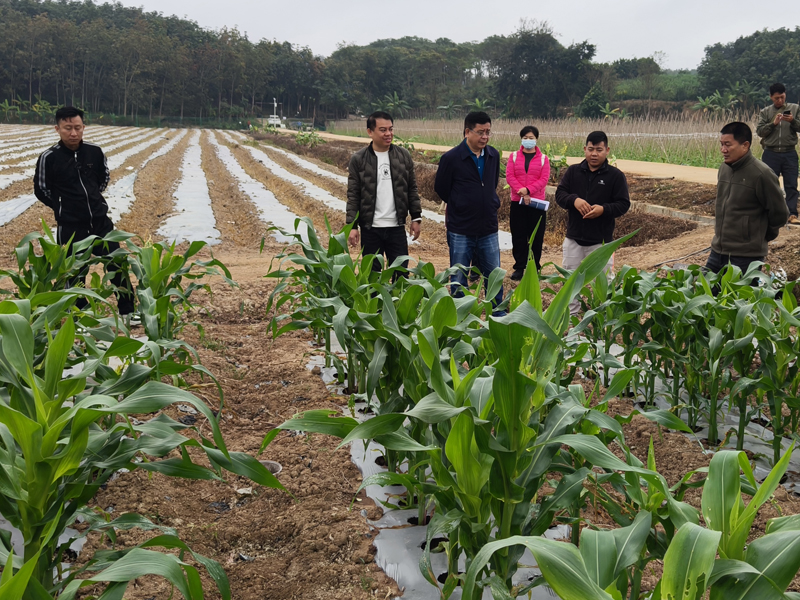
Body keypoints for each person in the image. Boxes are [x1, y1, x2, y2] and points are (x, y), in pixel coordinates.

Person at [33, 106, 134, 316]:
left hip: (99, 222)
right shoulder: (49, 157)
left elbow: (103, 178)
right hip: (71, 226)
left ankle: (128, 311)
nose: (73, 133)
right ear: (57, 129)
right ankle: (80, 315)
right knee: (75, 272)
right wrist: (63, 205)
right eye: (67, 128)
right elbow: (41, 189)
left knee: (117, 264)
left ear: (83, 127)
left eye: (77, 127)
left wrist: (92, 198)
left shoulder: (94, 152)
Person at [434, 111, 504, 313]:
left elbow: (492, 184)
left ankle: (498, 313)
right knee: (458, 276)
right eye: (480, 132)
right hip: (461, 228)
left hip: (488, 227)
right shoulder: (451, 158)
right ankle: (459, 314)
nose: (485, 137)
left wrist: (489, 202)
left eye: (488, 132)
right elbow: (441, 188)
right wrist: (461, 203)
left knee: (494, 274)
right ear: (467, 132)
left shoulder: (493, 155)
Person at [555, 130, 630, 315]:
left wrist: (603, 210)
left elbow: (623, 204)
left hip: (600, 242)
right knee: (571, 280)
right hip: (574, 238)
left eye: (599, 149)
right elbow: (560, 195)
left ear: (607, 151)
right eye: (590, 149)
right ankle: (572, 320)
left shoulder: (615, 176)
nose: (594, 154)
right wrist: (575, 200)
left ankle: (601, 319)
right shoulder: (573, 171)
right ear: (584, 149)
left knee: (603, 282)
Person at [705, 121, 788, 276]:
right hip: (718, 251)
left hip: (746, 256)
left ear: (745, 145)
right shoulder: (724, 169)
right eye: (721, 144)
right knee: (704, 294)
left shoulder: (761, 174)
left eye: (728, 145)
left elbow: (780, 214)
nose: (723, 150)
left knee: (736, 299)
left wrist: (758, 236)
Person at [346, 111, 421, 274]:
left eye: (391, 129)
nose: (388, 134)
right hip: (370, 228)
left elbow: (412, 189)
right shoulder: (359, 159)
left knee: (401, 272)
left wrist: (416, 217)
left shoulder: (403, 156)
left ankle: (398, 300)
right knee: (372, 274)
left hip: (396, 227)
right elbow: (353, 194)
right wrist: (352, 226)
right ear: (370, 132)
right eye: (383, 130)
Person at [505, 125, 550, 279]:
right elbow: (510, 176)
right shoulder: (514, 157)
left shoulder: (544, 159)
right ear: (521, 139)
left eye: (531, 138)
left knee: (536, 237)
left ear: (536, 139)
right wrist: (522, 191)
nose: (528, 141)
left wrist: (528, 191)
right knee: (518, 235)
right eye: (525, 138)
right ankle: (519, 267)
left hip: (536, 203)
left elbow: (543, 180)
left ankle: (534, 267)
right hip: (517, 202)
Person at [756, 83, 800, 224]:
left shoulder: (795, 108)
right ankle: (772, 214)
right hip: (771, 153)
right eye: (776, 98)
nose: (779, 101)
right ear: (771, 97)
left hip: (790, 153)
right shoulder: (765, 112)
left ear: (785, 94)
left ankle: (792, 214)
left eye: (781, 97)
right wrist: (773, 124)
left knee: (791, 185)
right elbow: (760, 132)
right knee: (769, 186)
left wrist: (793, 121)